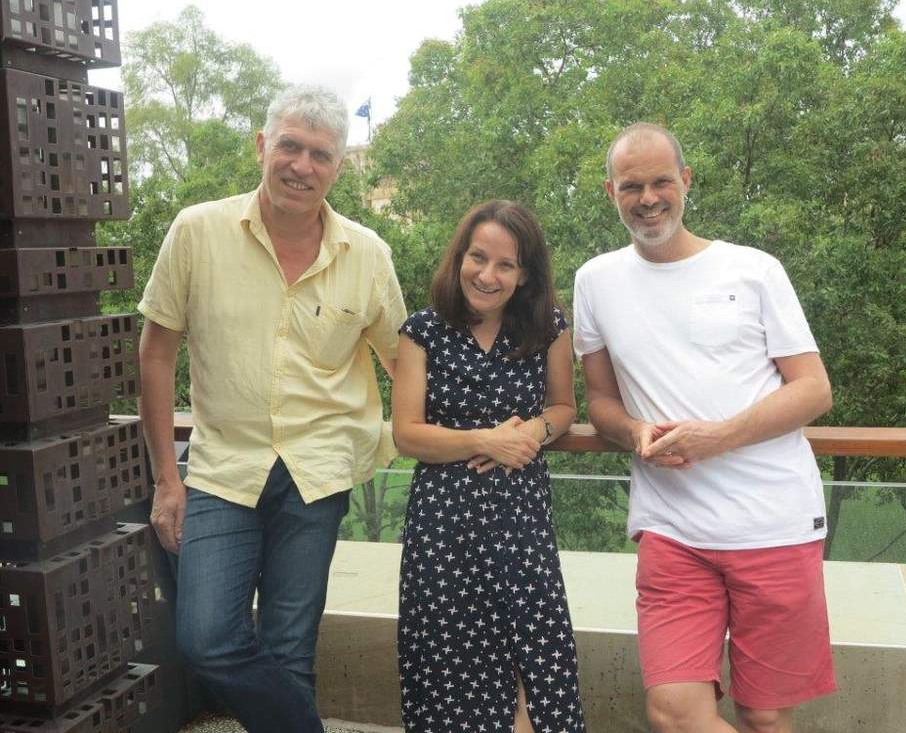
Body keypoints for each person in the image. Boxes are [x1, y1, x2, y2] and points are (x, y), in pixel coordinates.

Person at [138, 85, 406, 733]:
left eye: (320, 154)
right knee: (206, 637)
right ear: (262, 146)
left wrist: (487, 422)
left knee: (290, 649)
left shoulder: (367, 254)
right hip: (222, 468)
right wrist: (165, 482)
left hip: (319, 470)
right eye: (289, 145)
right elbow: (155, 353)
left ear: (338, 168)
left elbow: (407, 362)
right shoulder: (198, 231)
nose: (301, 166)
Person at [573, 123, 836, 733]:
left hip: (774, 524)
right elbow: (602, 402)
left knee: (765, 715)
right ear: (610, 191)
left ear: (686, 181)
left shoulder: (754, 270)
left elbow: (814, 389)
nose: (648, 198)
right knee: (674, 713)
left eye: (661, 181)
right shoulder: (595, 281)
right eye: (631, 185)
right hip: (672, 531)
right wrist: (635, 431)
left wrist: (715, 437)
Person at [392, 200, 587, 732]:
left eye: (506, 264)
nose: (488, 274)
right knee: (447, 659)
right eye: (478, 257)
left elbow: (565, 407)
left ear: (525, 274)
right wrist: (484, 441)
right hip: (443, 524)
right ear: (459, 257)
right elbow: (406, 433)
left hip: (519, 516)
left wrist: (530, 433)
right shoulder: (422, 331)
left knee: (535, 656)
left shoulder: (548, 327)